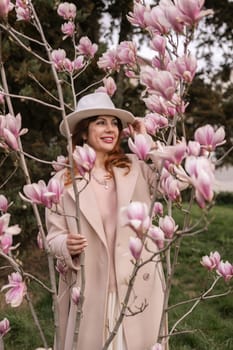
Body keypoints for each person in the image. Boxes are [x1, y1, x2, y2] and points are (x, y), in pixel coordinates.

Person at [46, 92, 167, 350]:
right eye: (100, 122)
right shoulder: (63, 182)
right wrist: (65, 245)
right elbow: (52, 237)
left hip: (137, 283)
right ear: (83, 132)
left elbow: (175, 181)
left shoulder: (136, 167)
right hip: (91, 289)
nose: (110, 128)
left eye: (114, 123)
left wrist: (146, 140)